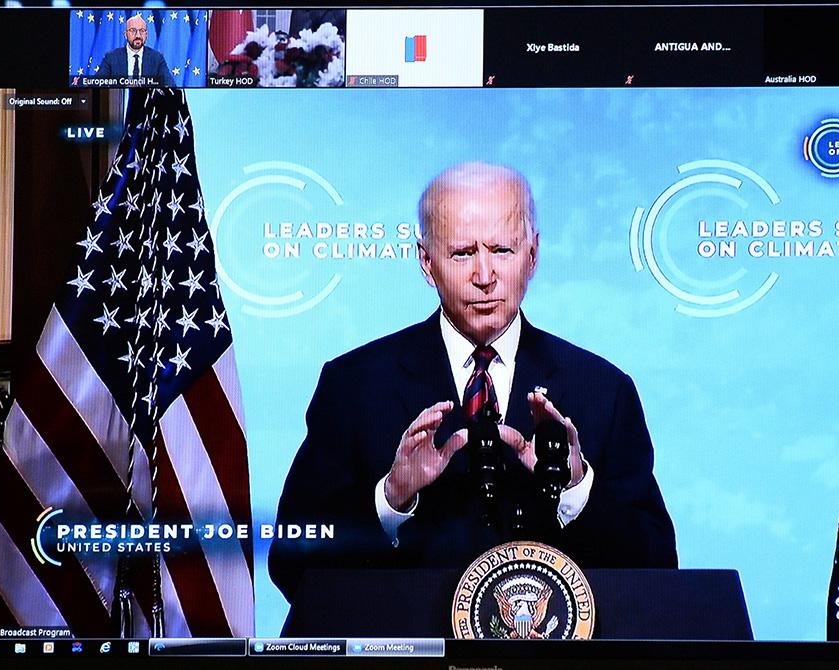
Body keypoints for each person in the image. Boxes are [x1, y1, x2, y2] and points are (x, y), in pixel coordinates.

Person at [269, 162, 677, 602]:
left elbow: (658, 568)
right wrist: (390, 498)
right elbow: (292, 564)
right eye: (463, 253)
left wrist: (576, 488)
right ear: (427, 263)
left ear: (533, 256)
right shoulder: (354, 386)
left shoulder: (604, 391)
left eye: (502, 250)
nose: (484, 277)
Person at [97, 15, 175, 86]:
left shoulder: (156, 58)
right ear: (126, 34)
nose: (138, 35)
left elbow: (170, 85)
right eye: (133, 30)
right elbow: (97, 83)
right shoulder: (112, 57)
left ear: (146, 34)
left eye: (142, 31)